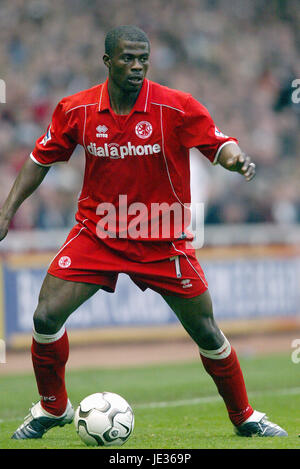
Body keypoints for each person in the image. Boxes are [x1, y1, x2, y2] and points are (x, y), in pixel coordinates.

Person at [0, 25, 287, 440]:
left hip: (162, 236)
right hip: (97, 233)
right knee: (45, 315)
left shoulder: (176, 106)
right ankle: (53, 407)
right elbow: (39, 158)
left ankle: (244, 416)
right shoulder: (76, 109)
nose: (137, 66)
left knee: (206, 330)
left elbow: (218, 144)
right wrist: (8, 210)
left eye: (143, 59)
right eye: (127, 58)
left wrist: (235, 158)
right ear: (107, 62)